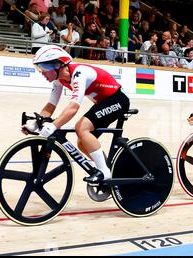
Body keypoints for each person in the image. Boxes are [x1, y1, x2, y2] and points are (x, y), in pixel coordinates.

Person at [24, 45, 130, 183]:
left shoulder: (79, 73)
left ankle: (105, 172)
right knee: (82, 143)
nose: (41, 72)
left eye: (43, 68)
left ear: (58, 65)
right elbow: (51, 105)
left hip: (118, 100)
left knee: (81, 128)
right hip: (103, 103)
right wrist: (35, 124)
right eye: (39, 68)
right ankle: (108, 169)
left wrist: (53, 126)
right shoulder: (59, 80)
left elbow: (73, 107)